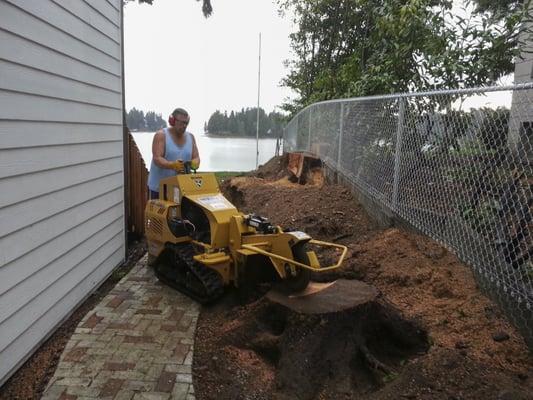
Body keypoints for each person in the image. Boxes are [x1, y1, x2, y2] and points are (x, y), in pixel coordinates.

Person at [147, 108, 200, 199]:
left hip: (181, 188)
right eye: (181, 122)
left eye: (186, 123)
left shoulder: (191, 137)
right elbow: (157, 158)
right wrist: (172, 165)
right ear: (172, 121)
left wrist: (194, 163)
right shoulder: (161, 135)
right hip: (159, 189)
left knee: (178, 213)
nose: (184, 126)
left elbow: (196, 157)